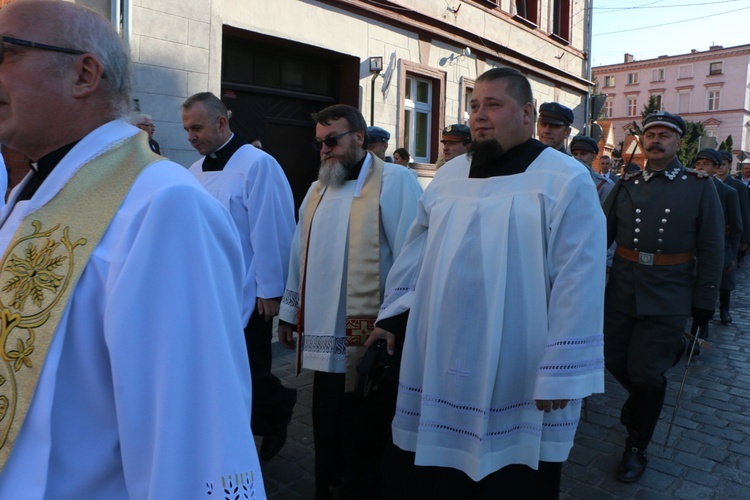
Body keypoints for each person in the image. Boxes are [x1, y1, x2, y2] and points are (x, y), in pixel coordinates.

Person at [0, 1, 265, 497]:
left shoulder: (164, 207)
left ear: (84, 74)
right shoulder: (33, 192)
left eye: (6, 53)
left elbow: (191, 441)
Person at [368, 67, 606, 498]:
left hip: (519, 362)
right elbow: (416, 250)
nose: (479, 115)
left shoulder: (564, 178)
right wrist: (395, 316)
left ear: (527, 114)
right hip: (441, 350)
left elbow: (579, 278)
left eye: (493, 105)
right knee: (437, 474)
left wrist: (561, 371)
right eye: (475, 105)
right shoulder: (450, 175)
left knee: (509, 480)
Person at [277, 104, 422, 499]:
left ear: (358, 137)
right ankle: (330, 483)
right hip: (324, 333)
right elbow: (297, 252)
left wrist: (395, 320)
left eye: (332, 140)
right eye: (319, 143)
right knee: (326, 420)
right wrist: (290, 315)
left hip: (372, 334)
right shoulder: (318, 188)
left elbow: (415, 255)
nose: (324, 149)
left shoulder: (396, 181)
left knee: (366, 425)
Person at [602, 111, 723, 483]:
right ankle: (642, 401)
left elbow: (712, 247)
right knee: (612, 359)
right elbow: (598, 237)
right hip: (622, 286)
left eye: (665, 135)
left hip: (671, 291)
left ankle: (637, 444)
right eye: (651, 134)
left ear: (678, 143)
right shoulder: (627, 184)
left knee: (647, 372)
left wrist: (705, 301)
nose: (656, 140)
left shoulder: (700, 186)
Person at [182, 92, 297, 461]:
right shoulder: (193, 172)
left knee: (250, 370)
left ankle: (272, 414)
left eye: (197, 127)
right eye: (186, 130)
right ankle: (231, 435)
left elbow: (272, 227)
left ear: (221, 123)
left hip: (246, 291)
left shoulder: (257, 164)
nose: (191, 137)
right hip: (207, 291)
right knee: (218, 372)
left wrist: (270, 290)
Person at [718, 149, 750, 273]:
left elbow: (744, 212)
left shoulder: (738, 186)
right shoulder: (708, 183)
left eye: (723, 164)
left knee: (728, 271)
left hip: (730, 234)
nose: (720, 167)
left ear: (730, 165)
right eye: (718, 164)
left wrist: (746, 239)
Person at [570, 134, 615, 203]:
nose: (578, 158)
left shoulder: (605, 186)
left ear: (593, 156)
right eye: (575, 154)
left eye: (583, 154)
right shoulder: (566, 181)